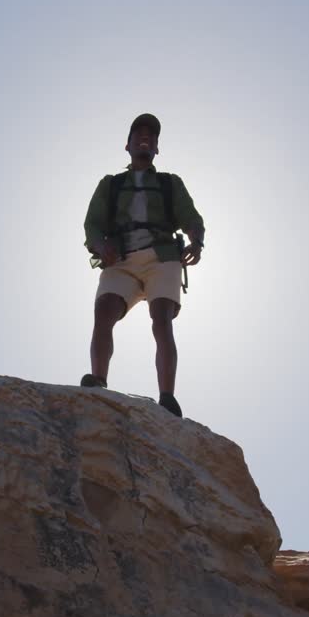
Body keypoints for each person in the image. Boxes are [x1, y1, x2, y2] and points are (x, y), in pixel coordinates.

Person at [80, 113, 206, 417]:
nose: (146, 138)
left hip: (161, 257)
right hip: (120, 258)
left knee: (161, 320)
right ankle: (98, 380)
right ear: (127, 145)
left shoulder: (169, 184)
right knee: (103, 312)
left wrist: (196, 241)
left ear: (157, 149)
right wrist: (101, 246)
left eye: (152, 136)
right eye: (139, 134)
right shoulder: (110, 185)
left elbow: (191, 218)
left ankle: (167, 398)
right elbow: (92, 225)